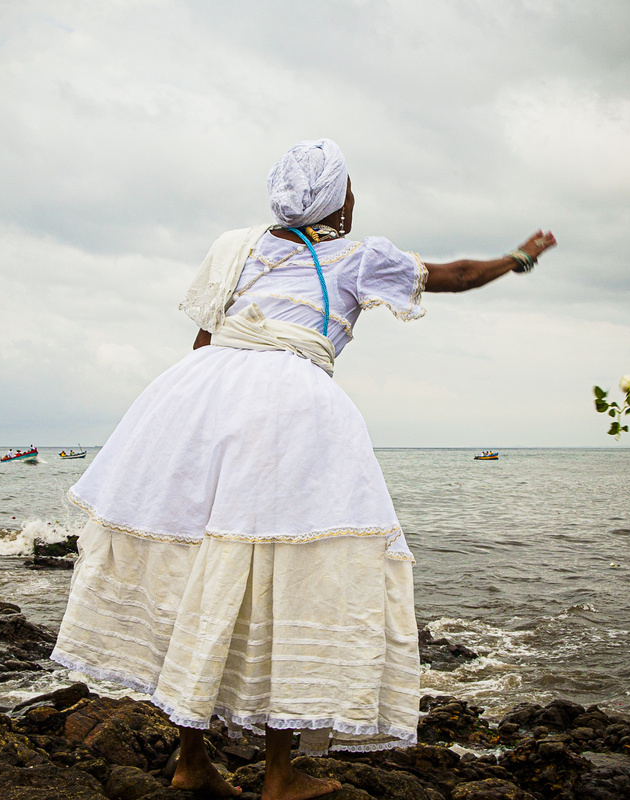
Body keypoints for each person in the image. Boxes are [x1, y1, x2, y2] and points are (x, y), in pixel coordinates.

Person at [52, 139, 556, 800]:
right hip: (285, 411)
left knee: (206, 564)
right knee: (284, 573)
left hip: (198, 399)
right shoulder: (355, 254)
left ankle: (192, 760)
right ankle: (280, 776)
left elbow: (206, 338)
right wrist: (518, 258)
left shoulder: (237, 245)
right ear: (339, 199)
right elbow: (453, 274)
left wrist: (190, 427)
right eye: (349, 187)